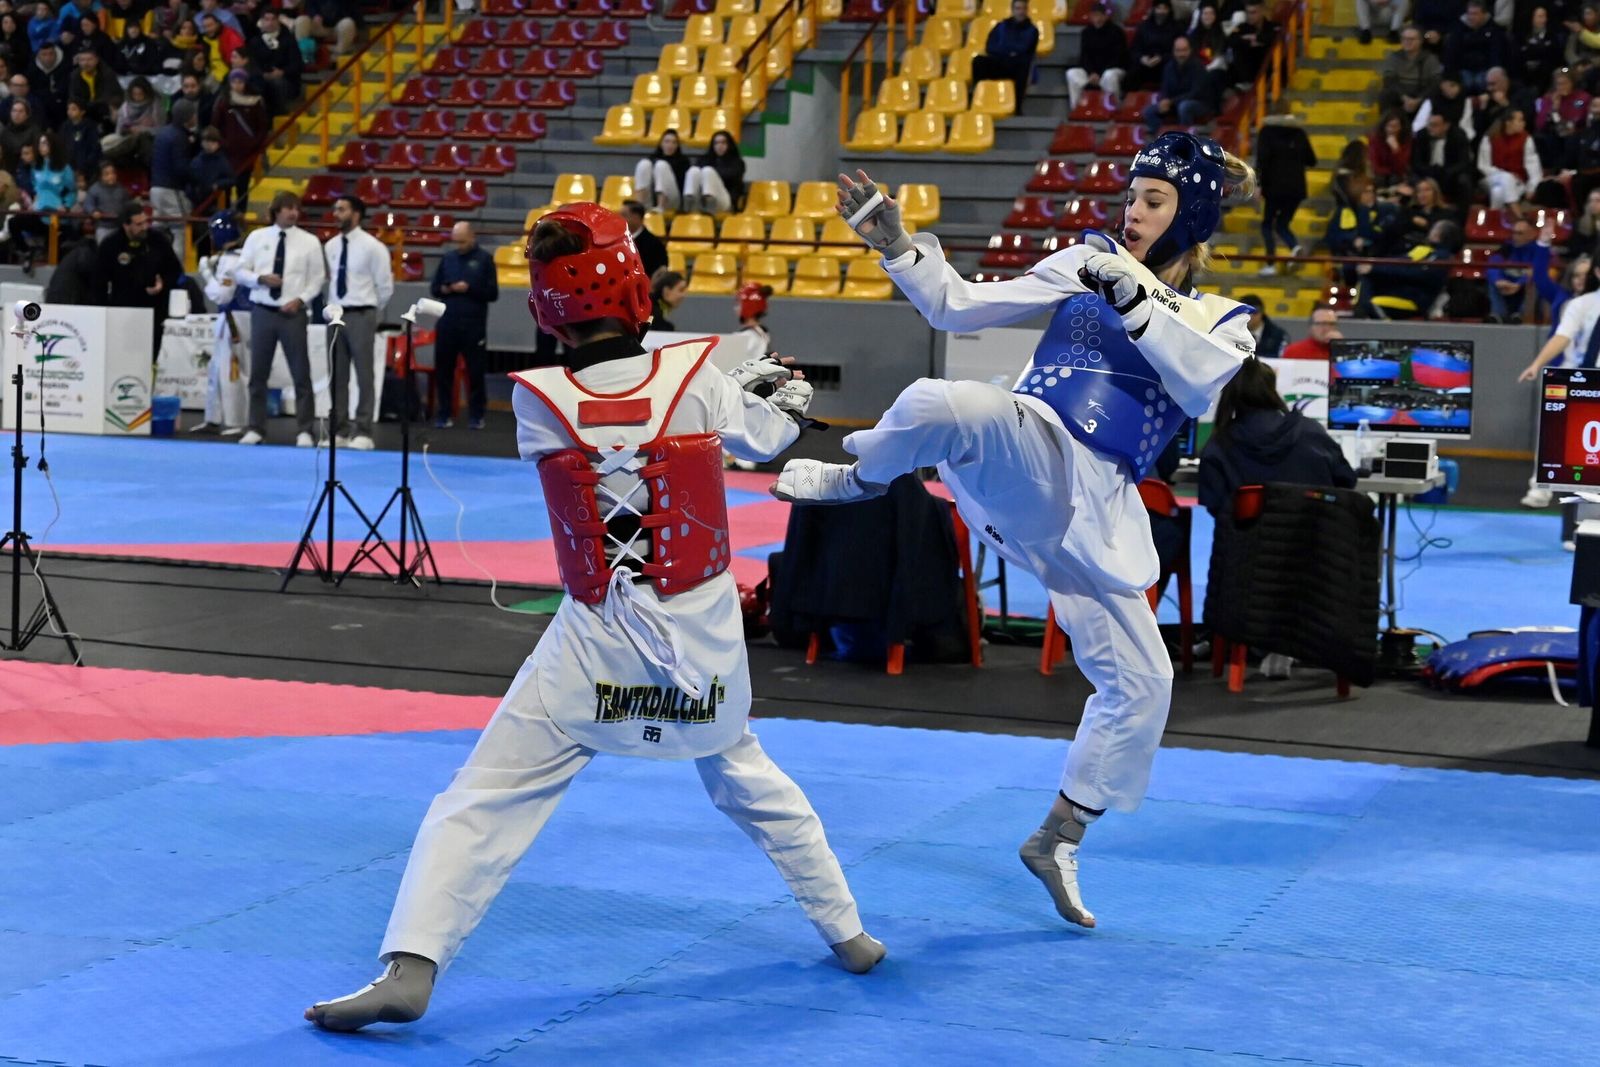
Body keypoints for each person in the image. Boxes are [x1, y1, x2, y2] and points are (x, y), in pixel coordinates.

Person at [304, 202, 883, 1034]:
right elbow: (763, 437)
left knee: (485, 794)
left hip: (595, 634)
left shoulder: (536, 402)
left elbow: (614, 388)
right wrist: (778, 398)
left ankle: (412, 963)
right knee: (751, 783)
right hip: (699, 635)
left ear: (544, 310)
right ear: (637, 287)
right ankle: (849, 932)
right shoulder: (697, 377)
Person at [773, 134, 1258, 928]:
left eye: (1154, 201)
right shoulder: (1086, 258)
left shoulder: (1223, 320)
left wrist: (1134, 293)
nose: (1133, 212)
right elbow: (956, 304)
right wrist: (898, 245)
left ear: (1191, 214)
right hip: (1029, 450)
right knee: (947, 401)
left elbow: (1201, 382)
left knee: (1145, 684)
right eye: (1131, 197)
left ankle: (1058, 836)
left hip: (1094, 515)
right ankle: (857, 480)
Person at [1197, 358, 1357, 518]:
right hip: (1314, 538)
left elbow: (1214, 504)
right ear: (1271, 388)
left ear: (1228, 392)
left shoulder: (1218, 445)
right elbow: (1346, 480)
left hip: (1245, 540)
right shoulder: (1311, 431)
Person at [234, 190, 325, 446]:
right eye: (287, 208)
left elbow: (317, 278)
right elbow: (240, 271)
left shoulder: (309, 242)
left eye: (296, 208)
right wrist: (260, 279)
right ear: (276, 211)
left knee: (301, 373)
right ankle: (256, 427)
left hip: (292, 312)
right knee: (258, 373)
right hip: (263, 310)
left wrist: (301, 299)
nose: (293, 212)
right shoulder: (257, 237)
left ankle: (305, 429)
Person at [324, 193, 392, 450]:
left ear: (356, 214)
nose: (336, 214)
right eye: (335, 209)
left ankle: (363, 431)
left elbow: (385, 287)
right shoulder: (330, 246)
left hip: (362, 312)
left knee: (365, 375)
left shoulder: (373, 247)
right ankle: (339, 430)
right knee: (337, 376)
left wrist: (369, 311)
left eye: (341, 209)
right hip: (336, 314)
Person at [429, 220, 497, 429]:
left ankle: (477, 414)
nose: (459, 246)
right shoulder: (448, 258)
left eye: (462, 241)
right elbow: (434, 288)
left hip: (473, 323)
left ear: (472, 237)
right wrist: (448, 289)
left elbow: (492, 293)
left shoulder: (484, 259)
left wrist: (469, 288)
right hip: (448, 321)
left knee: (475, 371)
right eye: (456, 242)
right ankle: (444, 413)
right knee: (444, 370)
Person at [91, 200, 183, 351]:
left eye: (145, 222)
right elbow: (98, 283)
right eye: (139, 224)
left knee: (152, 352)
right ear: (126, 225)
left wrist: (163, 284)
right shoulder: (110, 245)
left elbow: (175, 271)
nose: (144, 227)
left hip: (155, 309)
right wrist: (103, 313)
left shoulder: (158, 240)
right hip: (123, 312)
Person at [192, 210, 253, 435]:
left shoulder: (232, 261)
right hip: (230, 317)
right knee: (217, 367)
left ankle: (237, 420)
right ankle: (214, 417)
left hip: (235, 318)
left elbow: (221, 296)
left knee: (233, 370)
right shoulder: (236, 257)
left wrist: (207, 274)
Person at [1253, 100, 1315, 274]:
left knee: (1267, 224)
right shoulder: (1299, 132)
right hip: (1297, 188)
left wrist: (1258, 185)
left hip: (1274, 188)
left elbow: (1262, 161)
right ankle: (1294, 247)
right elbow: (1312, 159)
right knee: (1282, 224)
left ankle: (1271, 264)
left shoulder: (1266, 132)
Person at [1353, 218, 1460, 318]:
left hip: (1414, 298)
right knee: (1366, 274)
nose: (1430, 231)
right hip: (1399, 291)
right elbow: (1398, 262)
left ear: (1438, 234)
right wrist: (1373, 267)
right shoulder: (1423, 250)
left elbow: (1417, 273)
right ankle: (1359, 311)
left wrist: (1374, 269)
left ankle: (1364, 314)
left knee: (1369, 302)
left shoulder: (1442, 257)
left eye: (1434, 229)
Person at [213, 67, 267, 210]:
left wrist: (254, 144)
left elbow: (261, 127)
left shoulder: (255, 102)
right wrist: (224, 143)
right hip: (227, 154)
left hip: (247, 154)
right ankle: (226, 215)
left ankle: (240, 216)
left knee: (243, 187)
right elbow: (216, 126)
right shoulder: (223, 101)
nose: (237, 85)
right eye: (234, 81)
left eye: (240, 82)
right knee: (226, 188)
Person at [1142, 36, 1215, 132]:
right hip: (1174, 103)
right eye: (1178, 50)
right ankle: (1161, 137)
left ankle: (1185, 139)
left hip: (1199, 103)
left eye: (1184, 50)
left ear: (1190, 50)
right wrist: (1164, 100)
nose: (1181, 54)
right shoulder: (1169, 67)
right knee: (1148, 111)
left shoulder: (1198, 67)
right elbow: (1164, 88)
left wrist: (1171, 101)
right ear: (1173, 51)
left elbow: (1195, 93)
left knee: (1184, 106)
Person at [1065, 1, 1128, 111]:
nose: (1097, 19)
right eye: (1094, 16)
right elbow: (1084, 56)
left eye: (1100, 15)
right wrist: (1091, 73)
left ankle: (1114, 108)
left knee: (1109, 76)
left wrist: (1099, 73)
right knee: (1072, 73)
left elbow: (1118, 57)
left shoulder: (1117, 32)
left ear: (1106, 16)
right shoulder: (1086, 32)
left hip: (1113, 69)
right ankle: (1077, 108)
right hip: (1092, 73)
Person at [1485, 215, 1550, 322]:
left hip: (1525, 291)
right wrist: (1498, 281)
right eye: (1514, 233)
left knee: (1537, 282)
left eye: (1520, 233)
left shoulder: (1541, 251)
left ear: (1532, 234)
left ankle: (1521, 317)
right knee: (1492, 280)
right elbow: (1492, 265)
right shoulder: (1506, 248)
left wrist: (1520, 284)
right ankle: (1498, 316)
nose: (1515, 237)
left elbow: (1542, 271)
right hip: (1505, 288)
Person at [972, 0, 1038, 103]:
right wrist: (1009, 51)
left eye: (1023, 9)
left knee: (1023, 64)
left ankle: (1016, 106)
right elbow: (990, 46)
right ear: (1012, 10)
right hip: (1000, 61)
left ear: (1027, 10)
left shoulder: (1032, 29)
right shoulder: (1001, 26)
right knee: (978, 61)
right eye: (1018, 8)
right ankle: (980, 98)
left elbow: (1024, 48)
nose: (1021, 12)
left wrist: (1005, 48)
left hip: (1017, 65)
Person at [149, 96, 195, 233]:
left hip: (155, 189)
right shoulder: (179, 137)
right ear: (187, 117)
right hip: (172, 190)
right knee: (180, 231)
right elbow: (181, 168)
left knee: (157, 232)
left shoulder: (162, 133)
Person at [1479, 108, 1542, 207]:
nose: (1524, 123)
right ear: (1508, 122)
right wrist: (1505, 175)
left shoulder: (1526, 139)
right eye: (1520, 120)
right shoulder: (1489, 138)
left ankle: (1496, 217)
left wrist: (1532, 188)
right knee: (1504, 180)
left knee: (1498, 191)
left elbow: (1533, 166)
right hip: (1492, 178)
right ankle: (1517, 214)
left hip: (1518, 182)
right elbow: (1483, 165)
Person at [245, 8, 302, 114]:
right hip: (261, 78)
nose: (270, 23)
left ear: (278, 21)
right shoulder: (254, 42)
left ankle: (279, 113)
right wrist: (262, 74)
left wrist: (282, 72)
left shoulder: (289, 40)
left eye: (273, 19)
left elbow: (297, 64)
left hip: (286, 81)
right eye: (267, 19)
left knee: (276, 83)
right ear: (261, 21)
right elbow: (251, 64)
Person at [1444, 0, 1509, 93]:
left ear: (1484, 14)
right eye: (1470, 14)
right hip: (1464, 68)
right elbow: (1451, 53)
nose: (1471, 17)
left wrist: (1494, 70)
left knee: (1482, 82)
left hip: (1485, 69)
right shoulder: (1459, 30)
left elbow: (1496, 53)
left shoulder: (1494, 30)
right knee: (1466, 83)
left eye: (1475, 14)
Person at [1378, 25, 1442, 118]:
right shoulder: (1394, 57)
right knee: (1386, 94)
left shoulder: (1430, 58)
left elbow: (1436, 81)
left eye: (1411, 39)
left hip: (1421, 92)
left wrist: (1419, 99)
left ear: (1420, 41)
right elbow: (1389, 79)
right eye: (1404, 39)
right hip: (1400, 93)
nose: (1407, 42)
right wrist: (1404, 97)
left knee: (1436, 96)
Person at [683, 128, 744, 215]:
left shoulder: (737, 162)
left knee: (708, 171)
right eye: (716, 143)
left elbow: (731, 178)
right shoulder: (704, 159)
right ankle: (689, 201)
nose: (720, 146)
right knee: (694, 170)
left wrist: (711, 175)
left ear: (729, 145)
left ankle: (709, 203)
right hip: (700, 199)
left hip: (724, 201)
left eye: (723, 143)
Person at [632, 128, 690, 213]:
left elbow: (684, 186)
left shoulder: (683, 161)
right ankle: (639, 206)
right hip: (652, 197)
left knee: (661, 165)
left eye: (674, 142)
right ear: (661, 144)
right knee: (644, 164)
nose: (670, 145)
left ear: (677, 146)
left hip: (673, 199)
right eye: (667, 141)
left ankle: (661, 206)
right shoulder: (652, 158)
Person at [1128, 0, 1181, 90]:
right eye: (1158, 8)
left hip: (1166, 63)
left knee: (1172, 69)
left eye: (1165, 9)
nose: (1161, 11)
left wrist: (1162, 58)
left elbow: (1180, 52)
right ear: (1153, 9)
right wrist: (1142, 58)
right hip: (1145, 64)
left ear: (1169, 10)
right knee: (1132, 73)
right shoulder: (1143, 27)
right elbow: (1135, 49)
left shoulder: (1177, 28)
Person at [82, 159, 128, 242]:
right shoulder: (94, 189)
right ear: (100, 176)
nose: (111, 176)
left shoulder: (121, 189)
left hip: (119, 226)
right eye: (107, 174)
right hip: (102, 227)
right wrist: (93, 211)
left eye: (113, 173)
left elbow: (127, 204)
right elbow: (88, 204)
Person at [620, 198, 667, 278]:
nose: (620, 219)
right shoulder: (617, 241)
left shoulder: (655, 245)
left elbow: (659, 273)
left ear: (636, 217)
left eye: (624, 215)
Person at [736, 281, 773, 353]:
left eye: (739, 305)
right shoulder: (761, 331)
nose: (736, 308)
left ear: (747, 308)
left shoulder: (748, 335)